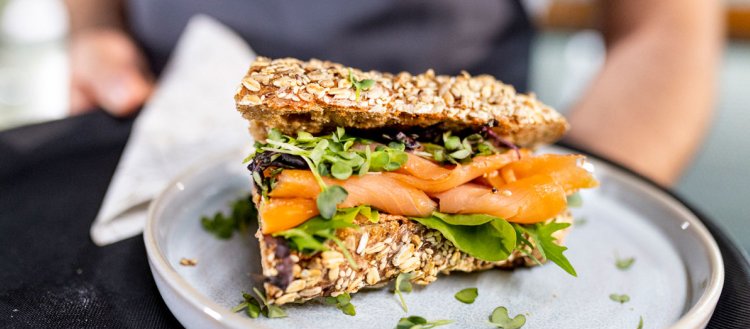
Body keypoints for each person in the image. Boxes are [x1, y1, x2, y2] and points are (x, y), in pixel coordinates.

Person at [64, 0, 723, 186]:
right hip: (157, 122)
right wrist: (94, 30)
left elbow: (664, 25)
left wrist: (578, 200)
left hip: (472, 140)